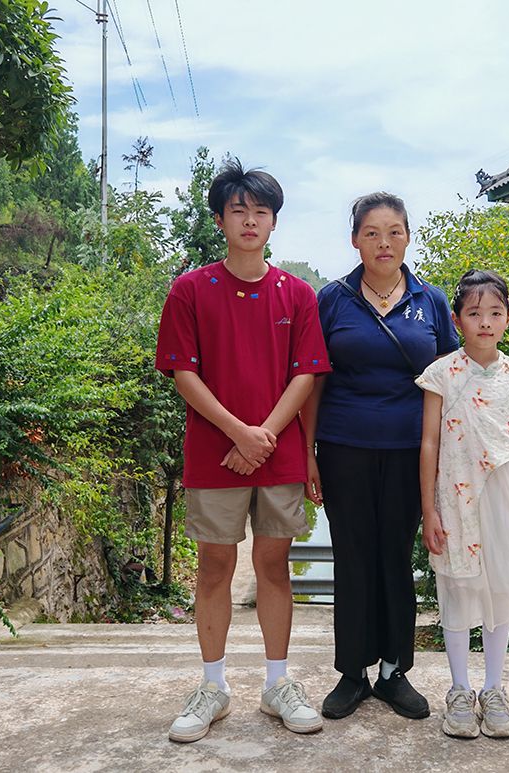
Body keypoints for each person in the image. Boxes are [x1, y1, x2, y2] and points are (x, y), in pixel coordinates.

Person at [155, 159, 330, 742]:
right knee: (214, 567)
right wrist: (239, 433)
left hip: (277, 454)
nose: (249, 220)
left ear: (274, 221)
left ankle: (278, 683)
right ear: (220, 219)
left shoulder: (297, 294)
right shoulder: (190, 290)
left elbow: (306, 375)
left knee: (274, 565)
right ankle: (213, 686)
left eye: (260, 211)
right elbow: (183, 373)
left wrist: (262, 437)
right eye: (238, 211)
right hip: (214, 454)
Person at [302, 192, 460, 721]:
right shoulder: (333, 299)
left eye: (394, 232)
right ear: (355, 240)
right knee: (353, 555)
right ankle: (353, 672)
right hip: (343, 445)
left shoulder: (430, 300)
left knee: (394, 555)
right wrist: (308, 452)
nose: (384, 243)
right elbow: (313, 380)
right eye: (371, 233)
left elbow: (449, 381)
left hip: (410, 450)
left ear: (408, 237)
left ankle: (394, 671)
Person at [417, 269, 509, 739]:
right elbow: (429, 443)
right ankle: (459, 690)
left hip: (505, 499)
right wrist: (429, 510)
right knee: (459, 590)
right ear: (457, 319)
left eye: (495, 313)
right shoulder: (442, 374)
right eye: (474, 313)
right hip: (455, 496)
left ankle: (494, 689)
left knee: (500, 590)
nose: (485, 322)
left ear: (508, 317)